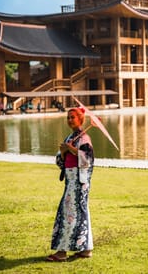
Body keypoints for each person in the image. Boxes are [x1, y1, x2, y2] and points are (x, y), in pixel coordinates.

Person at [47, 107, 94, 262]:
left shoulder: (84, 139)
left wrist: (72, 149)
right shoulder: (70, 137)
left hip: (79, 183)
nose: (69, 120)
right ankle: (85, 249)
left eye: (72, 117)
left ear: (80, 119)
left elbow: (87, 160)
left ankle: (62, 252)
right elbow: (61, 161)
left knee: (68, 213)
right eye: (68, 117)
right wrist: (62, 152)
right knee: (80, 212)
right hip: (70, 179)